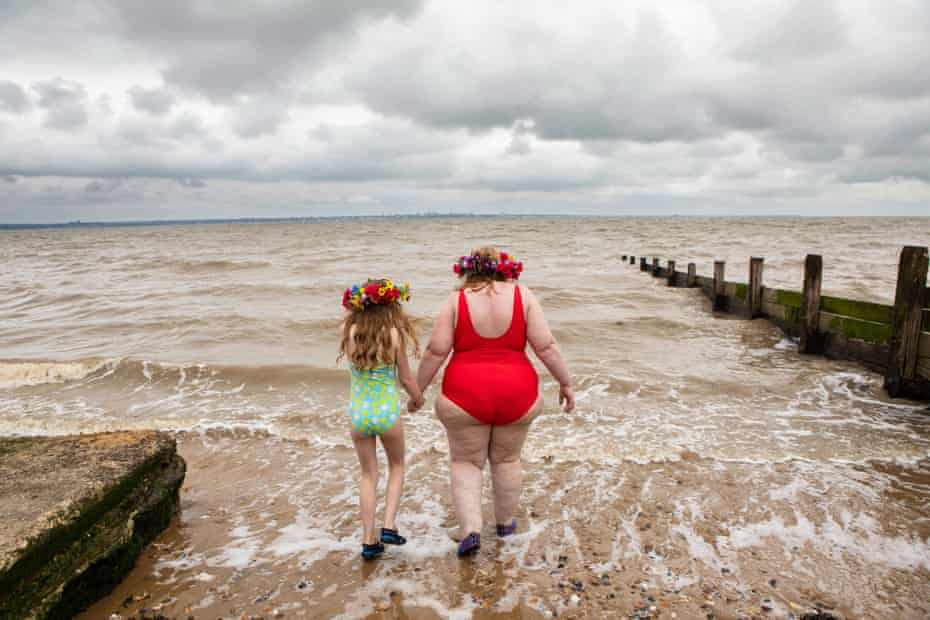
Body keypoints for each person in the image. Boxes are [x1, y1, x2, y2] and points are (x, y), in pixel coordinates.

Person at [415, 248, 574, 556]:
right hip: (518, 392)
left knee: (466, 461)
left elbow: (436, 350)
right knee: (507, 460)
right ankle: (505, 525)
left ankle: (471, 530)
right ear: (506, 269)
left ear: (468, 270)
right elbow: (547, 346)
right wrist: (565, 382)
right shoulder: (523, 295)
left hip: (464, 392)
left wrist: (418, 390)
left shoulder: (456, 300)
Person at [338, 278, 424, 560]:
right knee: (397, 465)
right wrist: (417, 399)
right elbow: (406, 378)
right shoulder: (394, 334)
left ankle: (367, 539)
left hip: (359, 415)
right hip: (387, 413)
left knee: (368, 474)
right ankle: (388, 525)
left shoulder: (348, 331)